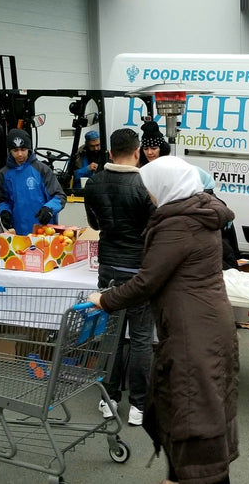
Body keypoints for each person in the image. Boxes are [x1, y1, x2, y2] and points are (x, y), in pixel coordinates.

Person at [87, 156, 238, 484]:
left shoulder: (178, 223)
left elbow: (147, 281)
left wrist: (104, 300)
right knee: (195, 405)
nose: (149, 195)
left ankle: (194, 476)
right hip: (205, 323)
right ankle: (182, 475)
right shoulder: (196, 213)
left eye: (150, 189)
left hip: (192, 329)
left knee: (192, 408)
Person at [82, 128, 156, 427]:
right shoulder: (144, 183)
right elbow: (154, 228)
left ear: (109, 152)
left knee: (112, 335)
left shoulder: (94, 183)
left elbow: (94, 223)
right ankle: (139, 405)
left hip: (109, 269)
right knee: (140, 339)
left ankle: (108, 398)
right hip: (139, 271)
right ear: (137, 152)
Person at [0, 128, 65, 235]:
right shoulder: (3, 174)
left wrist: (49, 209)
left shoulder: (42, 169)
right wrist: (4, 212)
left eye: (23, 149)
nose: (19, 154)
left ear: (29, 149)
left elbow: (60, 196)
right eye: (15, 150)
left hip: (45, 231)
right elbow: (3, 201)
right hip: (19, 232)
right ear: (10, 151)